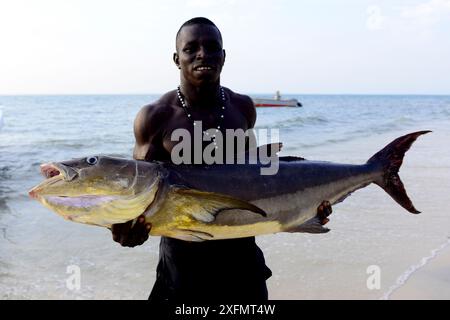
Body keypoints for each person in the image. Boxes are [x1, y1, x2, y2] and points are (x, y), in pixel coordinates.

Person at [111, 17, 272, 302]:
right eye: (191, 48)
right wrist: (126, 227)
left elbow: (256, 177)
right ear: (177, 58)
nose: (202, 54)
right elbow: (139, 195)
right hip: (182, 270)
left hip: (243, 261)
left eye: (212, 48)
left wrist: (306, 209)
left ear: (223, 57)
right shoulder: (155, 117)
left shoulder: (243, 108)